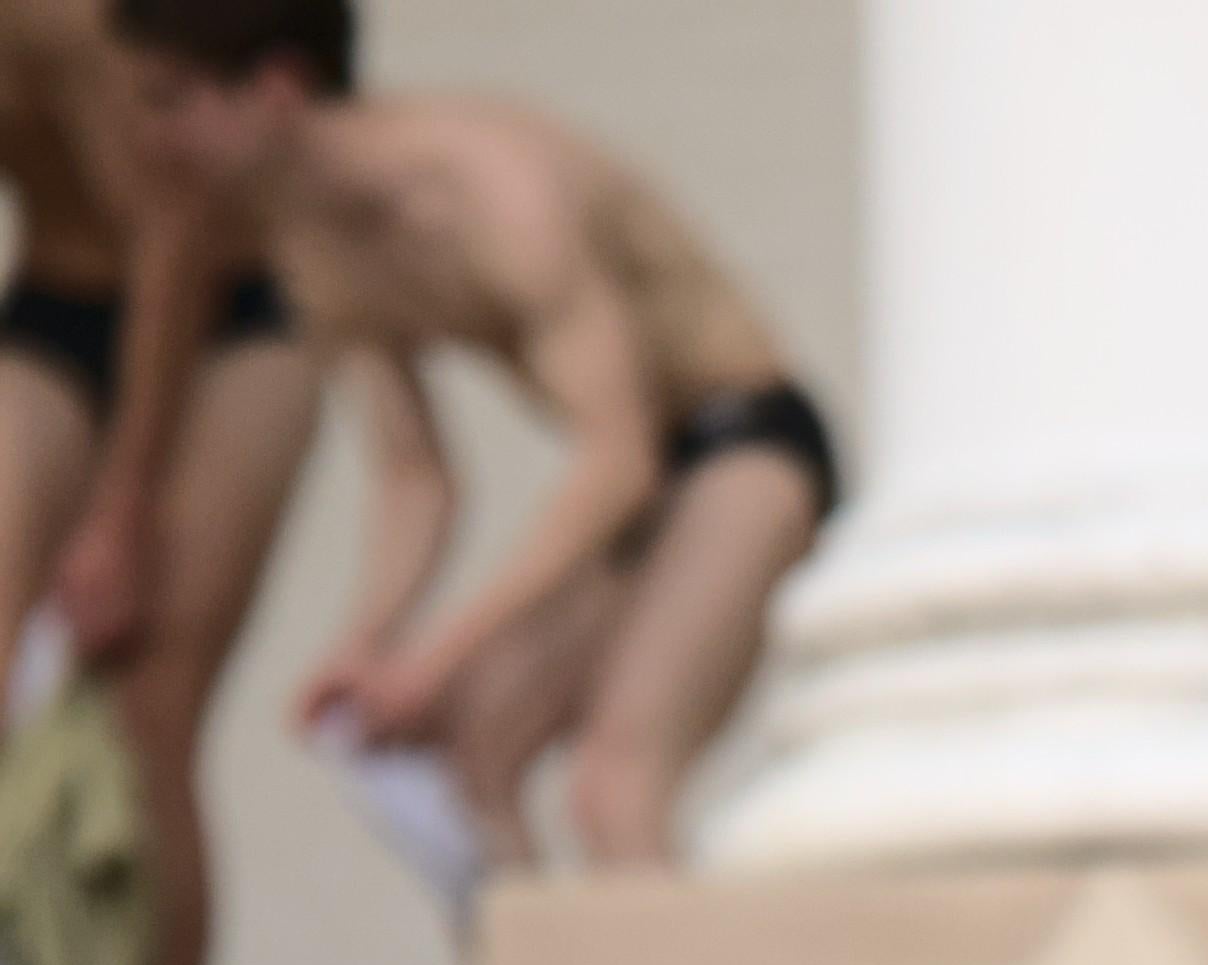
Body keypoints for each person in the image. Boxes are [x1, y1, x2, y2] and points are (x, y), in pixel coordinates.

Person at [109, 0, 837, 911]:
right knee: (473, 759)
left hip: (745, 444)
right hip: (656, 481)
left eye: (169, 102)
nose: (147, 140)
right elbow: (416, 478)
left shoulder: (494, 191)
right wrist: (369, 644)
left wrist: (438, 658)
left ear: (278, 88)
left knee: (614, 782)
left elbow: (618, 461)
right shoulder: (313, 236)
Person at [0, 0, 316, 965]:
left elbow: (174, 237)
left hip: (225, 313)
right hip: (52, 306)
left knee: (147, 708)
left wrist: (121, 508)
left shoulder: (74, 25)